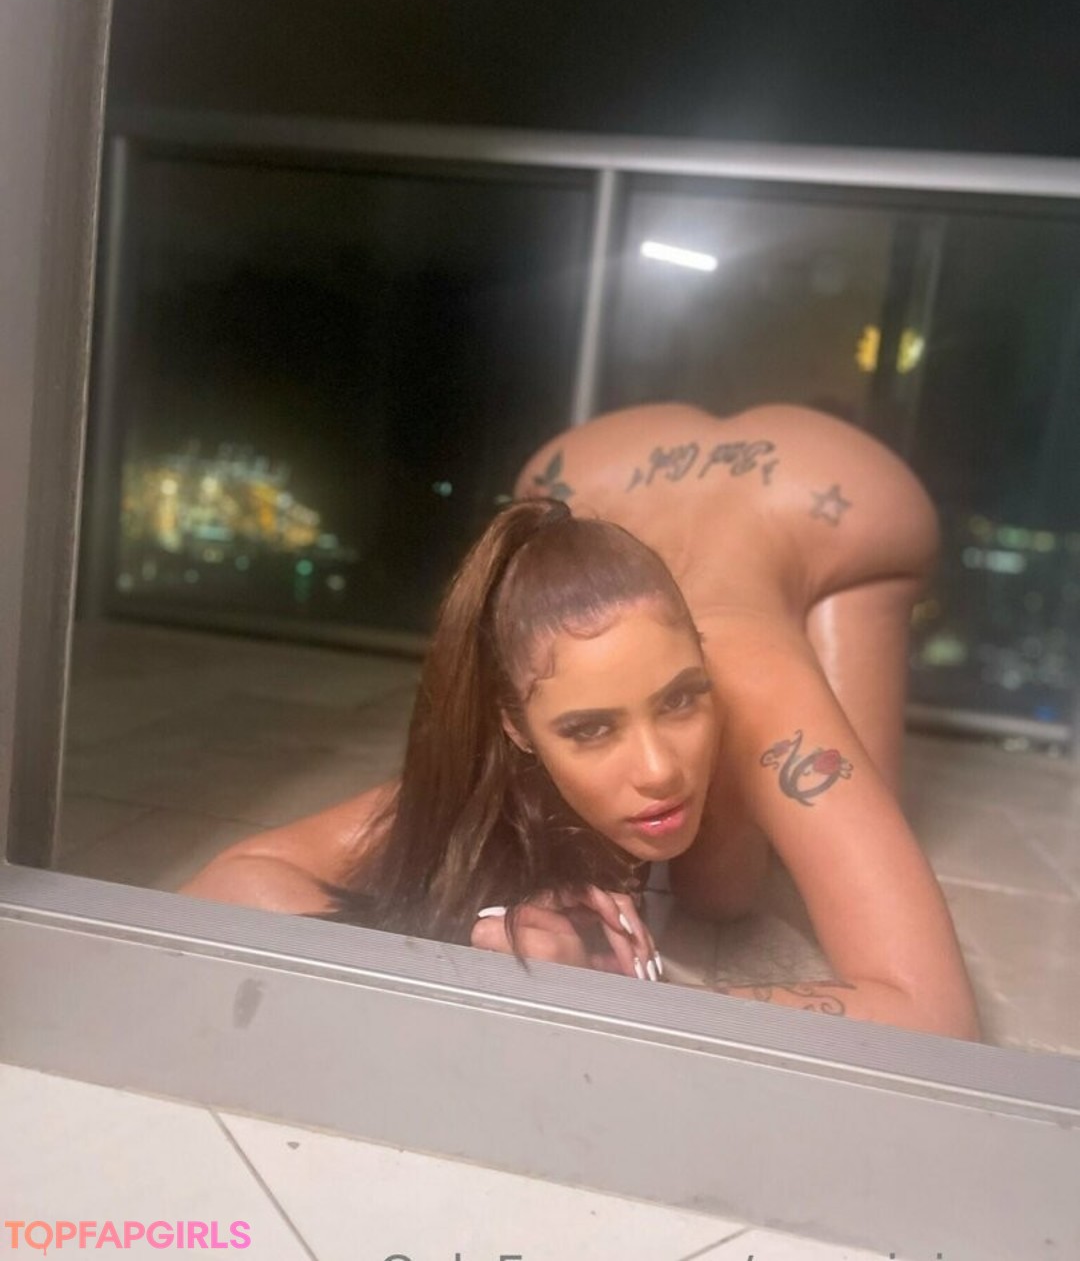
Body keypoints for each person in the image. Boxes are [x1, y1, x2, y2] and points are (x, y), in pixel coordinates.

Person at [182, 402, 981, 1041]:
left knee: (748, 880)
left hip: (835, 493)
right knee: (706, 872)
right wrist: (473, 952)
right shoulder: (505, 729)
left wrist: (625, 998)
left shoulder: (763, 687)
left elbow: (932, 1012)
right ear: (516, 725)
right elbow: (232, 879)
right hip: (589, 468)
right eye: (590, 728)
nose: (659, 768)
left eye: (683, 698)